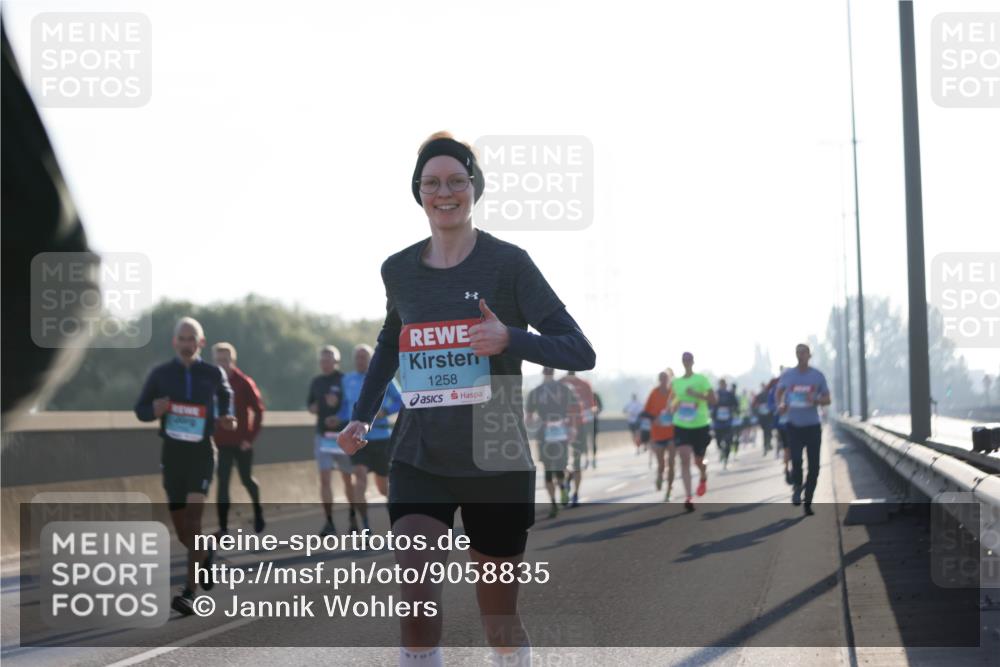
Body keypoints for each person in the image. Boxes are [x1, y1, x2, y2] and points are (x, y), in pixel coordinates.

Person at [337, 131, 595, 667]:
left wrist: (510, 338)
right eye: (432, 183)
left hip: (494, 450)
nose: (445, 191)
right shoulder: (398, 269)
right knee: (415, 606)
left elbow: (580, 349)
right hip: (419, 452)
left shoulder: (509, 264)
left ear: (474, 188)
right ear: (419, 193)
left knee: (498, 621)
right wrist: (361, 416)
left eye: (457, 180)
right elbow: (391, 341)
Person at [134, 317, 236, 615]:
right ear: (174, 342)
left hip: (202, 453)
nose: (187, 343)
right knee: (182, 532)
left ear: (200, 343)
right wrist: (153, 410)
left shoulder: (212, 372)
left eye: (193, 338)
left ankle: (189, 593)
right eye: (182, 338)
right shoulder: (161, 374)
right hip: (173, 454)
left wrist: (228, 415)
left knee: (193, 522)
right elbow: (140, 408)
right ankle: (205, 555)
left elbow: (226, 396)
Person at [341, 343, 403, 531]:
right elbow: (345, 406)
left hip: (381, 438)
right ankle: (365, 525)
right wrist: (338, 420)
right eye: (357, 357)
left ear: (371, 359)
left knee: (384, 487)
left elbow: (400, 400)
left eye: (364, 357)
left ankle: (397, 521)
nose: (360, 361)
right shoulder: (347, 380)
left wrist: (385, 410)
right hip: (357, 440)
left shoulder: (383, 378)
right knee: (359, 479)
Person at [211, 342, 266, 536]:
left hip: (242, 442)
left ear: (233, 361)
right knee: (223, 482)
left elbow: (259, 411)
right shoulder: (211, 382)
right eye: (218, 361)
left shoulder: (243, 382)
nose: (222, 364)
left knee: (246, 479)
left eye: (226, 360)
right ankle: (223, 528)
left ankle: (258, 511)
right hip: (221, 442)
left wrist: (249, 438)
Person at [307, 345, 356, 535]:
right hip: (323, 436)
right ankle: (329, 522)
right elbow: (310, 406)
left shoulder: (345, 380)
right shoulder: (316, 382)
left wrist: (337, 410)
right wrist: (318, 406)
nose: (325, 364)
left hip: (342, 436)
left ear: (337, 361)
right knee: (325, 478)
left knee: (347, 478)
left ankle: (353, 516)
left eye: (329, 360)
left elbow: (352, 405)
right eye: (322, 360)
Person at [776, 344, 831, 516]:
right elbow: (779, 392)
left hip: (813, 426)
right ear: (795, 355)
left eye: (804, 352)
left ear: (809, 355)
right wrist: (781, 404)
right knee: (797, 461)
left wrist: (815, 400)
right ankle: (797, 487)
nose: (800, 355)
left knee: (814, 467)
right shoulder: (788, 375)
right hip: (794, 425)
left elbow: (828, 399)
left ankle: (808, 500)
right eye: (798, 352)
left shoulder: (817, 376)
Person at [526, 368, 580, 518]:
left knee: (548, 468)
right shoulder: (564, 389)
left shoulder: (535, 392)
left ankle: (553, 503)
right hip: (561, 429)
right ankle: (562, 487)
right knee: (560, 466)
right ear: (553, 372)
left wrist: (531, 426)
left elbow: (528, 418)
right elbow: (574, 410)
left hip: (544, 431)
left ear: (543, 373)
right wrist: (573, 429)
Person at [670, 352, 716, 512]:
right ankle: (688, 496)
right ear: (682, 362)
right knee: (683, 458)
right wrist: (675, 405)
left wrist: (695, 395)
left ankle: (703, 475)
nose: (686, 362)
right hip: (681, 424)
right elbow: (673, 401)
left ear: (693, 362)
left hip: (700, 425)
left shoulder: (701, 379)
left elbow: (712, 400)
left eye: (689, 359)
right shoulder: (676, 382)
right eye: (684, 359)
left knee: (698, 461)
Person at [561, 370, 597, 506]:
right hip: (571, 427)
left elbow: (591, 406)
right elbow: (592, 407)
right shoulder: (582, 384)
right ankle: (571, 486)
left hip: (574, 426)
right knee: (569, 461)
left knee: (572, 461)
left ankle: (575, 493)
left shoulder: (582, 384)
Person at [642, 371, 676, 499]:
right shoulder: (654, 393)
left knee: (672, 462)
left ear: (668, 380)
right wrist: (654, 419)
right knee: (661, 464)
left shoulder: (673, 393)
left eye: (665, 378)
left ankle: (669, 489)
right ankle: (660, 475)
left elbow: (680, 408)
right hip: (657, 434)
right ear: (658, 380)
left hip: (672, 433)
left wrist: (675, 414)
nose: (663, 381)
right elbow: (645, 412)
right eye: (661, 378)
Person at [712, 378, 738, 469]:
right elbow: (710, 404)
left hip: (728, 422)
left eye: (724, 384)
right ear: (719, 384)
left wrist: (733, 409)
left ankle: (726, 459)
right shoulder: (715, 394)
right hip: (717, 422)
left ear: (726, 385)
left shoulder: (730, 394)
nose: (723, 385)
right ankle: (721, 451)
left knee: (728, 441)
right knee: (718, 441)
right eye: (721, 384)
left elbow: (736, 404)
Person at [753, 380, 776, 455]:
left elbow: (774, 403)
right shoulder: (759, 395)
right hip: (762, 417)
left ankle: (768, 444)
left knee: (768, 430)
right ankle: (766, 445)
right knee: (765, 431)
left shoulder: (769, 394)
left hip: (769, 416)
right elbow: (754, 404)